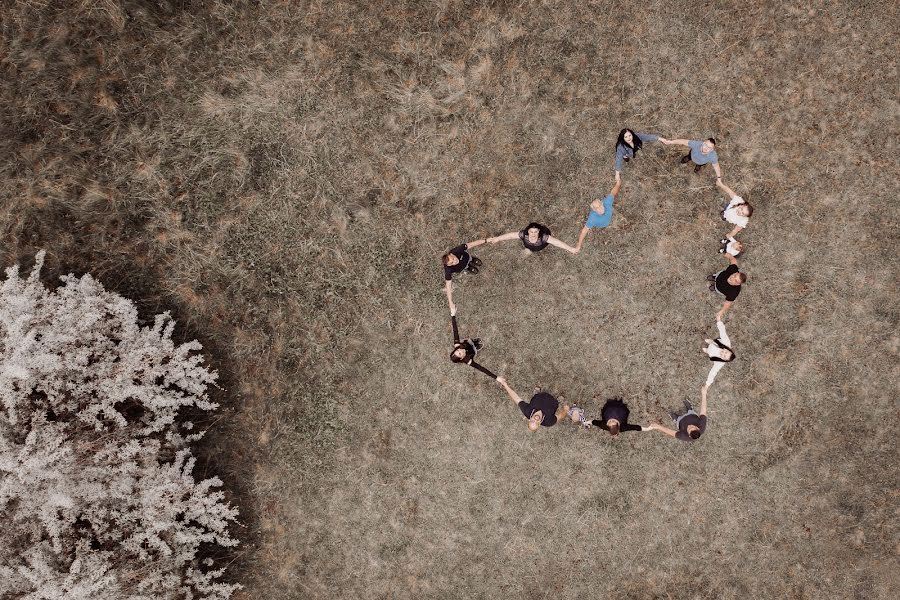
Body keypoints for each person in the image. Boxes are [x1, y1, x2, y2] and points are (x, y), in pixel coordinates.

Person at [496, 377, 566, 432]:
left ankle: (537, 393)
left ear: (529, 419)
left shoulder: (527, 411)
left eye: (532, 421)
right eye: (536, 423)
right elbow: (560, 416)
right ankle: (558, 400)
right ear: (539, 425)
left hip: (539, 397)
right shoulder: (549, 422)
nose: (535, 419)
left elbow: (516, 398)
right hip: (552, 402)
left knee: (536, 396)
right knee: (556, 402)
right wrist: (565, 410)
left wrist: (505, 385)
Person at [574, 176, 621, 253]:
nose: (600, 209)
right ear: (594, 210)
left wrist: (618, 183)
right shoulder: (592, 218)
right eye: (597, 208)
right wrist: (579, 245)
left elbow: (613, 192)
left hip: (609, 218)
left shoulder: (607, 202)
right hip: (602, 225)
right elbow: (584, 231)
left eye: (600, 206)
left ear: (602, 203)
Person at [449, 307, 497, 380]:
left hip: (468, 343)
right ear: (461, 358)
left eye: (457, 350)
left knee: (472, 342)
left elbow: (455, 330)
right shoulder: (468, 360)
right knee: (475, 348)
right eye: (459, 353)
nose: (460, 350)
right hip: (472, 351)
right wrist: (496, 378)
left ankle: (475, 341)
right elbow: (482, 369)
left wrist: (453, 315)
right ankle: (477, 346)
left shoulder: (458, 345)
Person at [442, 238, 488, 313]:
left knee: (470, 258)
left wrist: (486, 240)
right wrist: (450, 302)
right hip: (462, 268)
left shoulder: (457, 250)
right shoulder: (448, 270)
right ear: (448, 265)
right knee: (465, 268)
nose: (455, 261)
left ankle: (473, 260)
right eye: (452, 263)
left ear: (451, 254)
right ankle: (469, 268)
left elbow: (472, 244)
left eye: (453, 258)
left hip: (467, 258)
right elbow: (448, 286)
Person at [487, 223, 578, 254]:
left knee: (537, 248)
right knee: (529, 248)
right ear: (528, 231)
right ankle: (529, 250)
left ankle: (532, 250)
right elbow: (510, 235)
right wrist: (498, 238)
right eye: (531, 232)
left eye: (535, 232)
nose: (533, 234)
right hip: (528, 245)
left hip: (540, 245)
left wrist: (570, 249)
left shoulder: (544, 237)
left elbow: (557, 242)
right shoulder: (524, 234)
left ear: (539, 231)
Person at [706, 253, 745, 320]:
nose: (732, 279)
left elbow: (728, 303)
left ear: (738, 284)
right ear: (735, 273)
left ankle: (715, 288)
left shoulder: (734, 292)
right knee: (716, 276)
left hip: (719, 289)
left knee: (716, 289)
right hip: (719, 276)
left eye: (735, 281)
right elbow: (734, 261)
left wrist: (722, 311)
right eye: (734, 276)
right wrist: (730, 256)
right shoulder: (733, 269)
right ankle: (714, 277)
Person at [702, 318, 735, 388]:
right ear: (728, 349)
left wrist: (707, 384)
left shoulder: (720, 363)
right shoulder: (726, 342)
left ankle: (707, 350)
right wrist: (719, 321)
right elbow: (723, 332)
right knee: (712, 343)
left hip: (711, 353)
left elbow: (713, 372)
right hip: (715, 344)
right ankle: (710, 342)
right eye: (726, 352)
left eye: (724, 356)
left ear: (724, 359)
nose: (723, 353)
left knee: (709, 351)